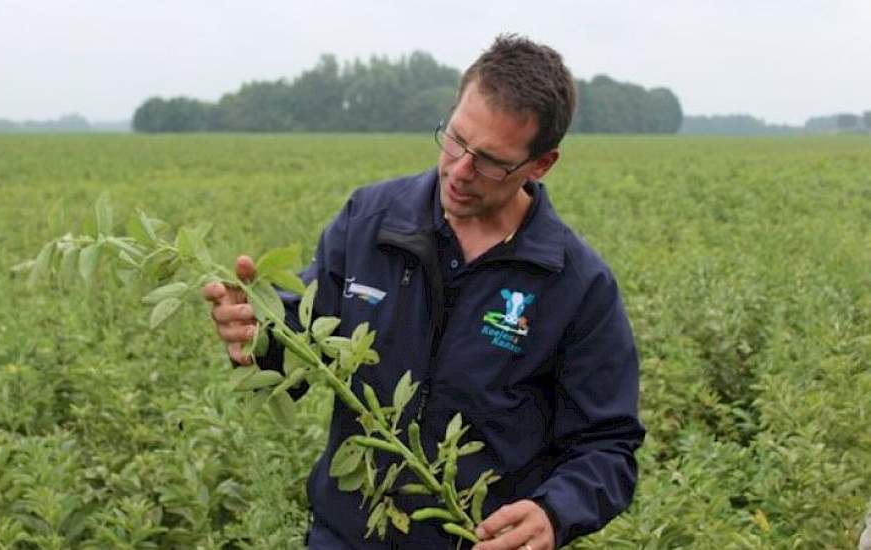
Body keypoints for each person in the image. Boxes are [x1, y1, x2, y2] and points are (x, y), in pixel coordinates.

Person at [204, 34, 644, 550]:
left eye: (489, 160)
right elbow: (303, 345)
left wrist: (553, 512)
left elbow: (608, 446)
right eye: (455, 139)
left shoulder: (576, 285)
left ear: (541, 164)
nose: (459, 171)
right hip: (346, 536)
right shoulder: (370, 222)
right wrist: (258, 335)